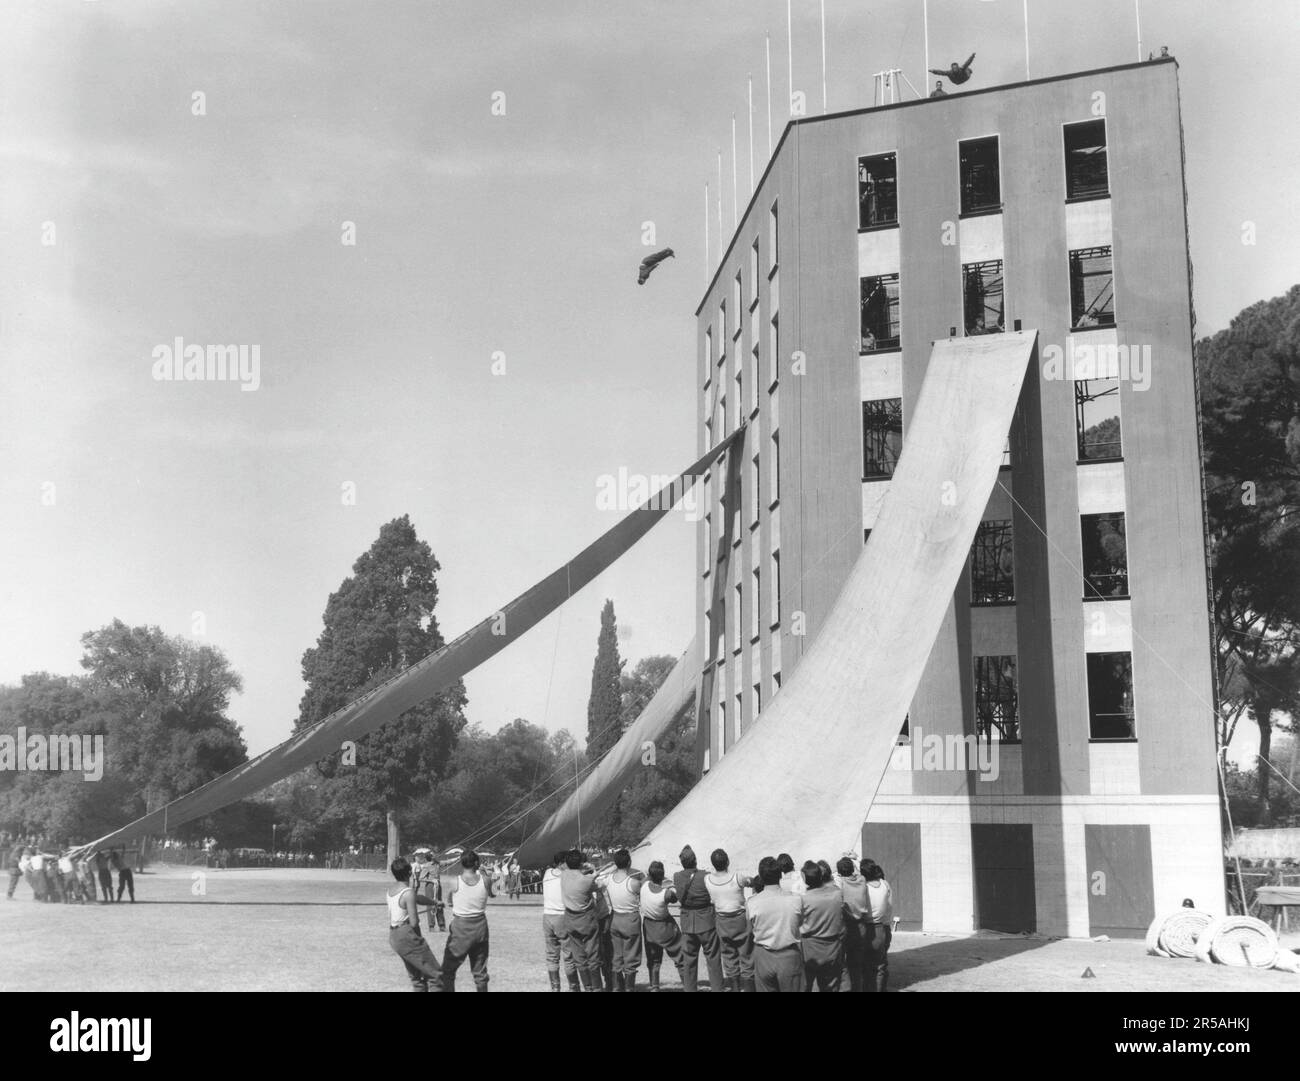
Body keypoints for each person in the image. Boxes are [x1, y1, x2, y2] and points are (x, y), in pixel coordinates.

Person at [746, 856, 805, 991]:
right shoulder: (796, 899)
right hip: (789, 955)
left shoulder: (752, 902)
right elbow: (800, 922)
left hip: (763, 956)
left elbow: (750, 930)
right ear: (780, 875)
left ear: (761, 876)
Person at [386, 856, 444, 992]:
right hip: (407, 936)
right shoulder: (408, 893)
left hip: (395, 936)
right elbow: (414, 922)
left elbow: (418, 898)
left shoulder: (391, 891)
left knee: (417, 979)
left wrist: (435, 902)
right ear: (409, 873)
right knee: (436, 975)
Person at [672, 845, 723, 992]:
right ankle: (718, 988)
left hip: (687, 922)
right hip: (706, 920)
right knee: (713, 958)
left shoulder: (676, 876)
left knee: (689, 960)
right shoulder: (705, 876)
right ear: (695, 860)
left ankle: (689, 989)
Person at [441, 849, 494, 991]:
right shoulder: (486, 880)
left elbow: (450, 901)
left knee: (447, 970)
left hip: (460, 928)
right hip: (480, 928)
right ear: (476, 863)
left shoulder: (454, 881)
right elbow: (491, 894)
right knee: (480, 973)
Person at [706, 848, 755, 992]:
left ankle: (735, 988)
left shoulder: (707, 880)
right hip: (739, 918)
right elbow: (749, 882)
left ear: (713, 864)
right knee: (746, 955)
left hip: (721, 920)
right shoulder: (737, 877)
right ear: (728, 861)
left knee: (728, 957)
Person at [559, 849, 605, 991]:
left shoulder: (563, 874)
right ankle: (596, 988)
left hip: (570, 920)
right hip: (587, 920)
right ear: (580, 863)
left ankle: (588, 987)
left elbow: (568, 868)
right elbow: (599, 886)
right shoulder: (587, 880)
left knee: (579, 957)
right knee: (593, 956)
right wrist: (593, 871)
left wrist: (585, 869)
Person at [798, 860, 846, 992]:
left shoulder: (803, 899)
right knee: (830, 986)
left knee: (805, 986)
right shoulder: (837, 894)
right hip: (832, 947)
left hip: (809, 949)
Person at [603, 849, 645, 992]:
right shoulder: (634, 882)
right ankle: (628, 989)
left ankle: (616, 988)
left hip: (614, 919)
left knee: (616, 956)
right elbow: (645, 887)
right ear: (629, 862)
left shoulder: (608, 879)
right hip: (630, 920)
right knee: (631, 957)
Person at [639, 861, 684, 991]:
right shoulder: (666, 893)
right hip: (665, 927)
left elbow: (647, 877)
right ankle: (687, 986)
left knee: (653, 960)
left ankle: (654, 987)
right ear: (662, 875)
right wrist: (671, 886)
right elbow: (675, 897)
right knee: (680, 957)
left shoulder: (644, 884)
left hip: (649, 927)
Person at [542, 851, 580, 992]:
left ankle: (555, 988)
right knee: (569, 956)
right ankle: (574, 988)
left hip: (547, 918)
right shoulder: (566, 875)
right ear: (561, 863)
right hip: (561, 918)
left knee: (551, 956)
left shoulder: (547, 873)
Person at [837, 856, 872, 991]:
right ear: (852, 869)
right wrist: (854, 858)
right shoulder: (862, 880)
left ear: (840, 872)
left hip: (847, 924)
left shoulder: (840, 884)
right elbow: (858, 870)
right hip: (861, 924)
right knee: (856, 964)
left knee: (843, 964)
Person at [861, 858, 894, 992]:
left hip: (866, 927)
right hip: (881, 927)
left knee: (865, 965)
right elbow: (889, 905)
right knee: (880, 965)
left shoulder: (863, 886)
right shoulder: (884, 884)